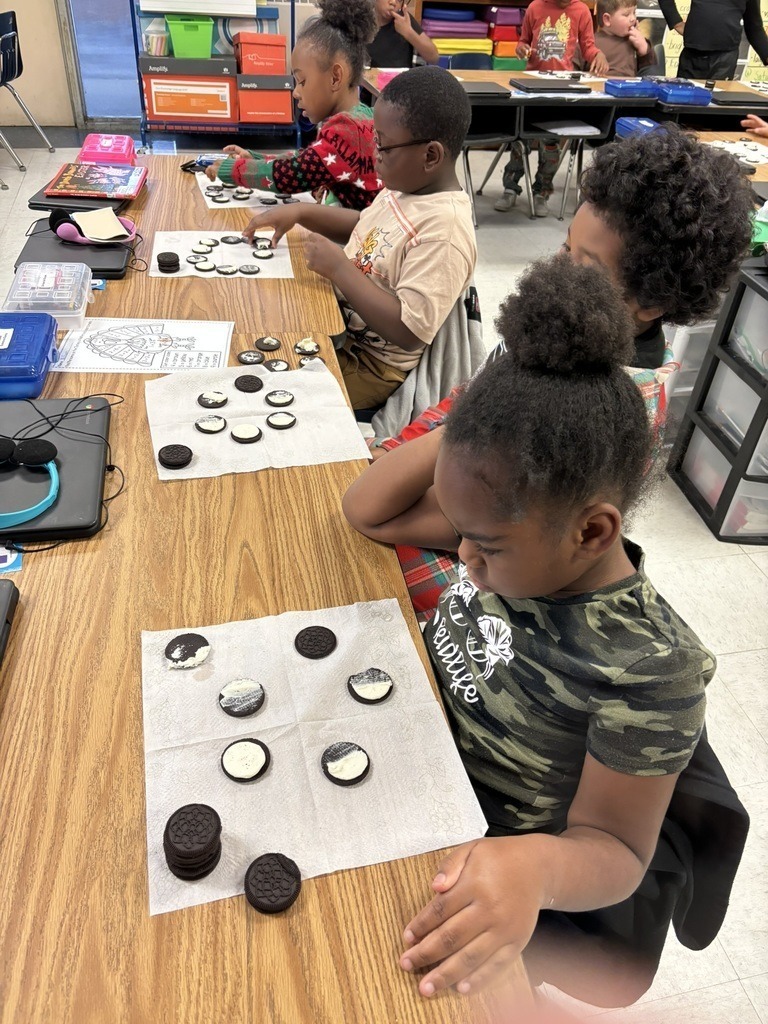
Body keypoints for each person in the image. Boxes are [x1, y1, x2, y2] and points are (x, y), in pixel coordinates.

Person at [342, 257, 715, 1002]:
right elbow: (368, 509)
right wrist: (468, 430)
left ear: (592, 531)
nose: (464, 560)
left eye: (484, 545)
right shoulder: (519, 542)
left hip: (477, 869)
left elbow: (616, 849)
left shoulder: (648, 669)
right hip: (408, 779)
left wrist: (533, 868)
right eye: (463, 535)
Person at [355, 126, 754, 623]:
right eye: (565, 249)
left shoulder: (589, 405)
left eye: (585, 265)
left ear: (650, 302)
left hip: (483, 551)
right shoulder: (565, 335)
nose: (555, 269)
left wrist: (404, 475)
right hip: (463, 489)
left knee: (347, 563)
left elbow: (435, 518)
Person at [242, 65, 476, 411]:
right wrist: (301, 213)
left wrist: (340, 269)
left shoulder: (445, 232)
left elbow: (409, 331)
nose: (373, 154)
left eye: (383, 145)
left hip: (370, 365)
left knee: (269, 399)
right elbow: (365, 225)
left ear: (430, 156)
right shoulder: (405, 187)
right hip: (339, 326)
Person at [206, 0, 380, 210]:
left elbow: (292, 173)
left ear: (335, 77)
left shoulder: (347, 130)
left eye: (302, 81)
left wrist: (233, 170)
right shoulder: (360, 118)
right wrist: (255, 157)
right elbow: (307, 160)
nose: (296, 92)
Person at [495, 0, 609, 217]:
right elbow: (523, 42)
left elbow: (588, 47)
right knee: (521, 142)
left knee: (551, 147)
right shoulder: (535, 7)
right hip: (531, 85)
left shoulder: (582, 10)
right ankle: (510, 187)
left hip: (560, 88)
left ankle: (542, 191)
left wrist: (598, 55)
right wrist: (521, 49)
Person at [659, 0, 768, 81]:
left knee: (716, 105)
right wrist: (675, 22)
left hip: (725, 59)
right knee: (685, 103)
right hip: (694, 56)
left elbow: (754, 27)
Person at [367, 0, 439, 68]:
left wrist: (409, 32)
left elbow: (433, 57)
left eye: (399, 0)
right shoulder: (362, 19)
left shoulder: (404, 20)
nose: (393, 2)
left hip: (400, 78)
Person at [594, 0, 655, 77]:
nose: (633, 18)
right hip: (600, 86)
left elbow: (650, 70)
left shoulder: (633, 40)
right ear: (607, 19)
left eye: (634, 12)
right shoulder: (590, 43)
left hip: (630, 87)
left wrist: (643, 48)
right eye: (626, 15)